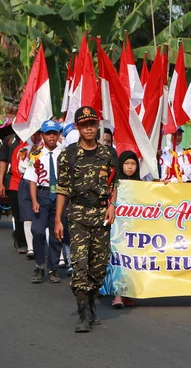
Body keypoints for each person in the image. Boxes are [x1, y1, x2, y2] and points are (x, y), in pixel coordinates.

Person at [54, 106, 117, 333]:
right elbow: (61, 189)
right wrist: (58, 220)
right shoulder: (68, 155)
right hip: (78, 214)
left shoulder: (109, 154)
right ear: (78, 127)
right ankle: (83, 313)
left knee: (99, 267)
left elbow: (113, 184)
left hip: (101, 215)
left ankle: (91, 302)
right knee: (80, 264)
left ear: (97, 126)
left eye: (92, 124)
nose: (88, 128)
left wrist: (112, 205)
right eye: (84, 124)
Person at [24, 120, 64, 284]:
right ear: (42, 136)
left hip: (60, 196)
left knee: (57, 233)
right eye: (48, 133)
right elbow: (32, 180)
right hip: (42, 194)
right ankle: (40, 265)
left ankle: (53, 268)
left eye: (54, 133)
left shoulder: (65, 154)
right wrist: (34, 200)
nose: (52, 137)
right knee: (38, 231)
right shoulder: (36, 154)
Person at [111, 150, 141, 309]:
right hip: (118, 230)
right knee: (119, 261)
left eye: (133, 164)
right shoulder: (115, 183)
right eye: (127, 163)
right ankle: (118, 294)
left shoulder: (143, 184)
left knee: (133, 263)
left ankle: (129, 294)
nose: (130, 167)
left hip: (135, 231)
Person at [0, 132, 30, 254]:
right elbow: (3, 161)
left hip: (31, 183)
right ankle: (21, 240)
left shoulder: (36, 140)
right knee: (18, 213)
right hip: (14, 182)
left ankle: (30, 241)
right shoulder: (9, 140)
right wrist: (0, 182)